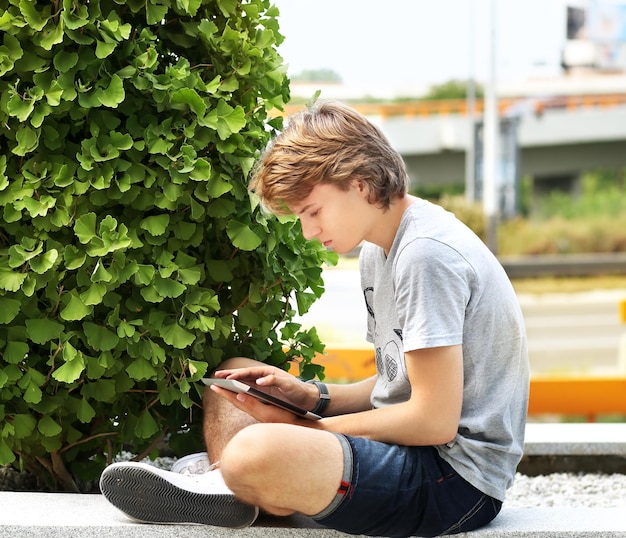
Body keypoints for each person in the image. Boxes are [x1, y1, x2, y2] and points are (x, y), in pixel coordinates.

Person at [100, 100, 529, 537]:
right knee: (230, 381)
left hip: (454, 481)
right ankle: (236, 485)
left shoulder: (426, 255)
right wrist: (309, 396)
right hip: (417, 454)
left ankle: (236, 478)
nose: (307, 231)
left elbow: (432, 420)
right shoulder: (379, 251)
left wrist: (315, 429)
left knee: (252, 451)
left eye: (313, 211)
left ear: (360, 183)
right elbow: (397, 382)